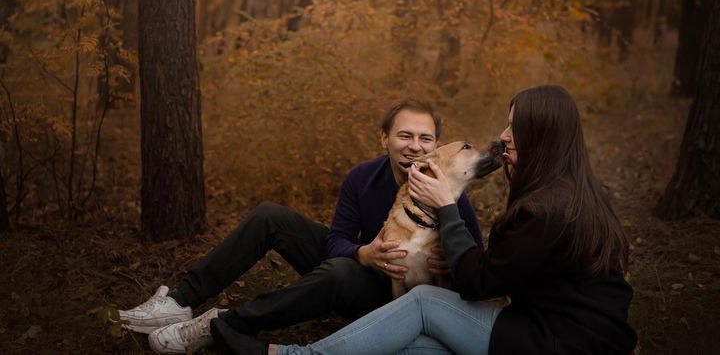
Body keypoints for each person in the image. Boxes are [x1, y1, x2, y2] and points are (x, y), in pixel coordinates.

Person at [220, 85, 638, 355]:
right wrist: (366, 254)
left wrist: (447, 212)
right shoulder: (575, 194)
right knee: (412, 345)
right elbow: (506, 271)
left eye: (514, 129)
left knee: (423, 304)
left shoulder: (545, 208)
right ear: (384, 138)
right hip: (582, 335)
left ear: (543, 136)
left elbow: (477, 282)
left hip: (552, 340)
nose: (504, 137)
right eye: (507, 127)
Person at [114, 99, 483, 354]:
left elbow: (476, 268)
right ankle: (180, 301)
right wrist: (362, 252)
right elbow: (337, 239)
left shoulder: (452, 195)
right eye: (405, 135)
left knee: (339, 272)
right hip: (367, 266)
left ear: (436, 147)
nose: (415, 147)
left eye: (425, 139)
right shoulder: (362, 178)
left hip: (395, 300)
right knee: (271, 215)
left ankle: (224, 325)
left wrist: (451, 263)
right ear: (383, 138)